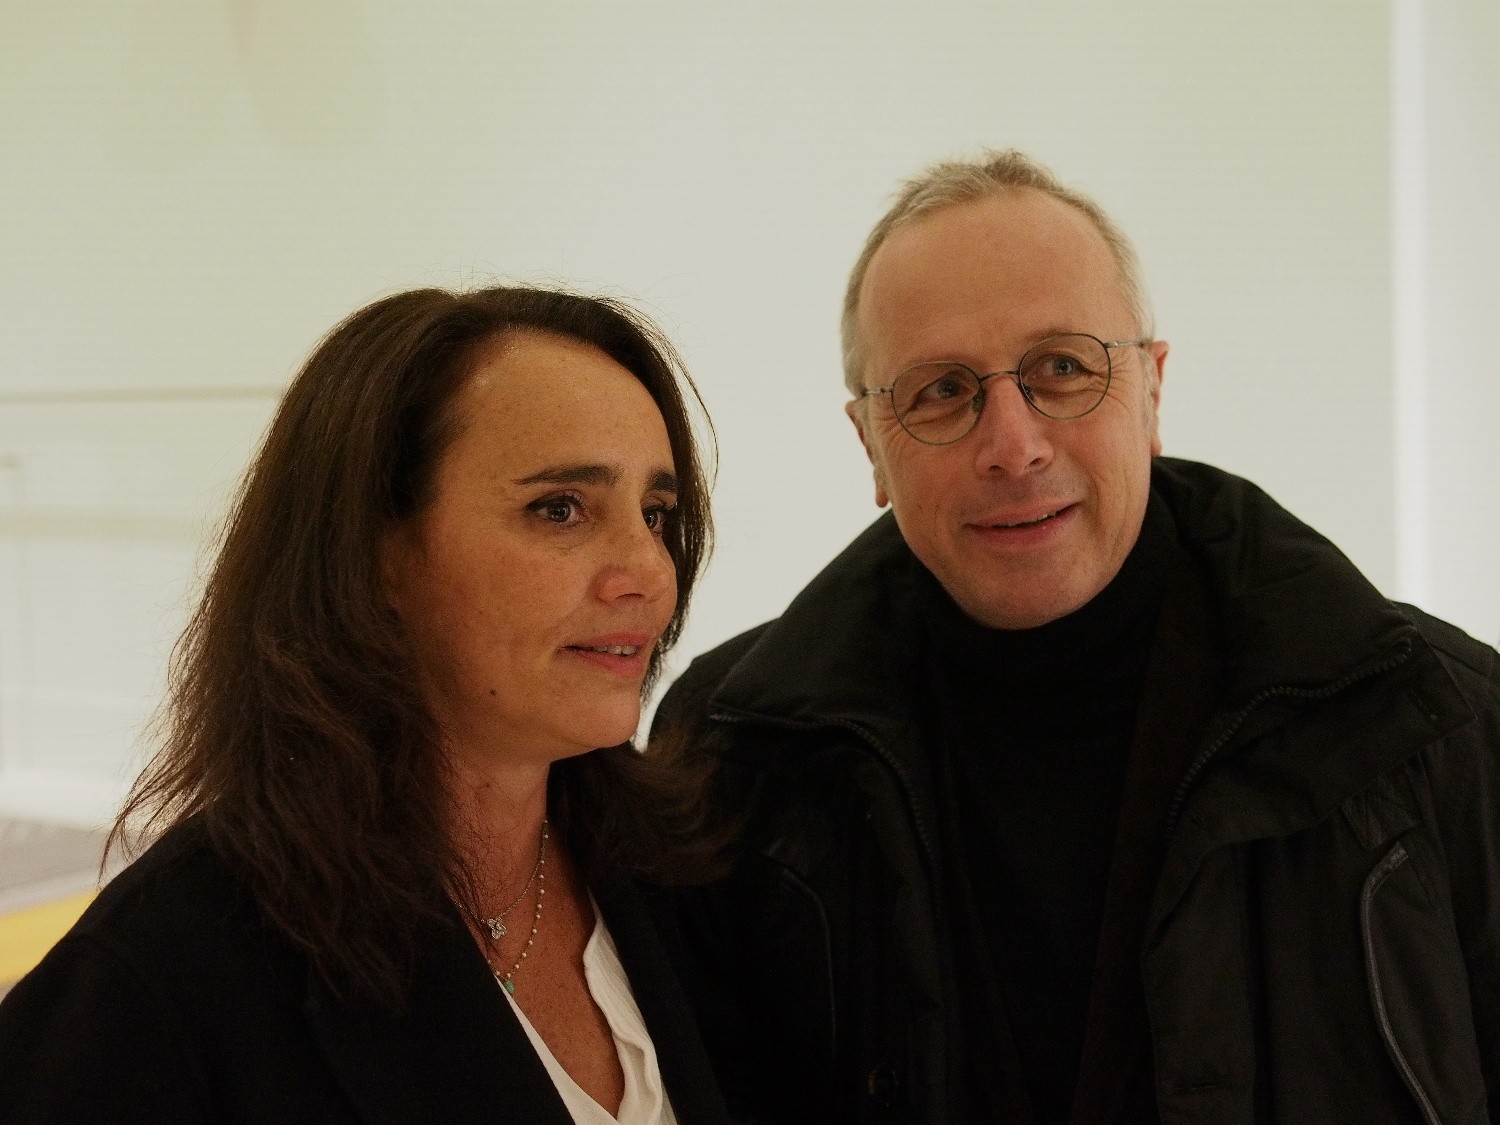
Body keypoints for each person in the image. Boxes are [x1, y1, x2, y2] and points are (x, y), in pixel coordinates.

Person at [650, 151, 1500, 1124]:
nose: (1014, 446)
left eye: (1062, 368)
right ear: (871, 445)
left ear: (1152, 389)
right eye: (942, 390)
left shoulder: (1437, 724)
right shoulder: (731, 760)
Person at [0, 285, 730, 1124]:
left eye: (657, 514)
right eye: (560, 509)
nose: (649, 573)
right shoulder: (160, 983)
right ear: (373, 553)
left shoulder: (673, 875)